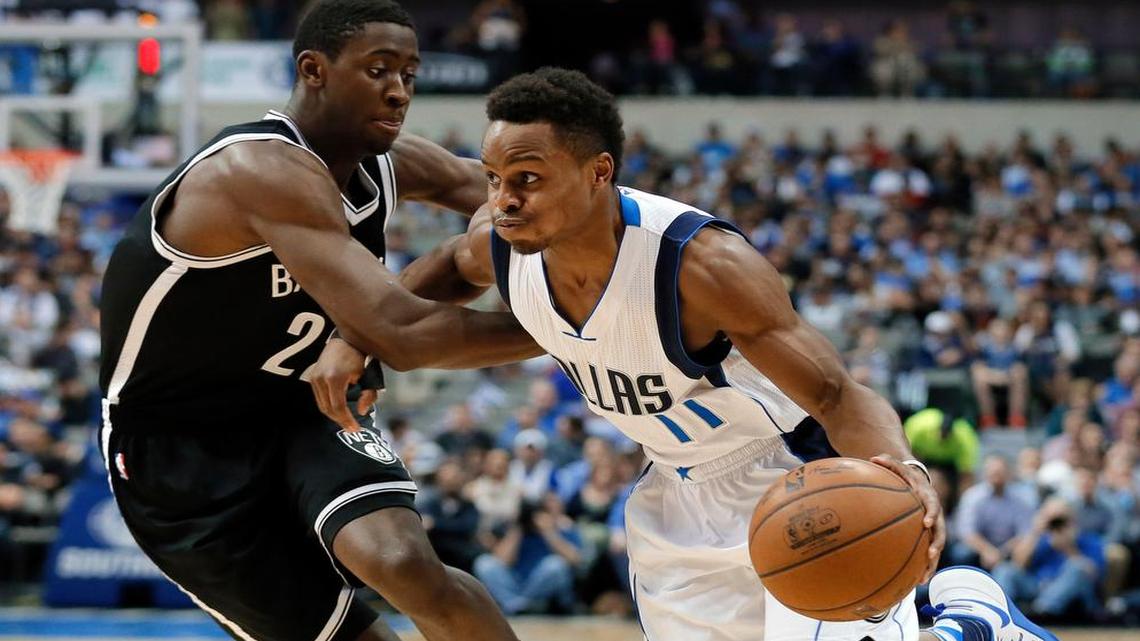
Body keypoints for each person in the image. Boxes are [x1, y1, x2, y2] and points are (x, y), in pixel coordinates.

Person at [334, 67, 1056, 641]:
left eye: (526, 178)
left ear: (597, 173)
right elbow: (446, 272)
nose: (503, 199)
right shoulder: (502, 241)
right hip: (673, 494)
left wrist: (906, 472)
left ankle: (969, 617)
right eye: (494, 179)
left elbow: (836, 393)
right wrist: (359, 338)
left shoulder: (699, 265)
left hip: (795, 475)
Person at [97, 2, 540, 641]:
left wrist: (529, 239)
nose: (399, 91)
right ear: (314, 70)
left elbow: (515, 200)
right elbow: (405, 335)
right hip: (179, 452)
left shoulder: (386, 162)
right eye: (379, 70)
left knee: (403, 562)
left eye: (410, 75)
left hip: (307, 408)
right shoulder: (255, 169)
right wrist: (573, 328)